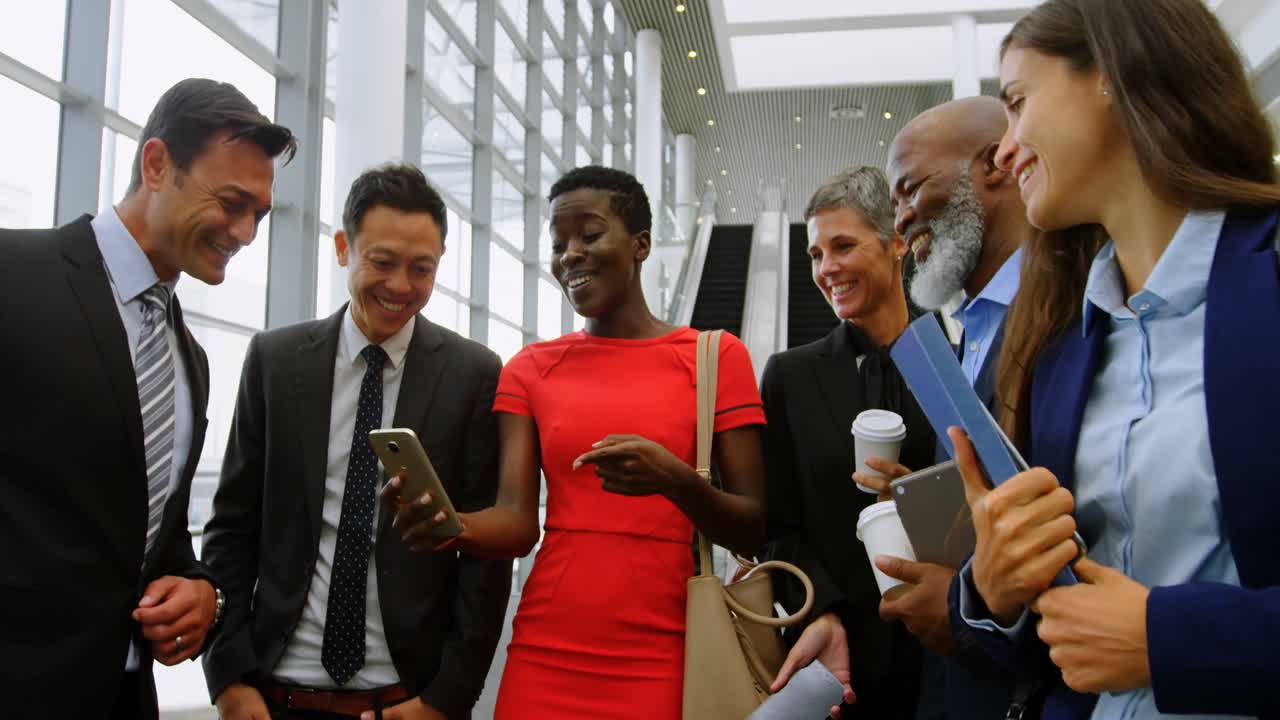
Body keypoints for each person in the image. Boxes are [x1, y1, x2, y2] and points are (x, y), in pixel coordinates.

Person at [950, 1, 1280, 718]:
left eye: (1016, 103)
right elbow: (1049, 641)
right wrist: (994, 588)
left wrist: (1172, 639)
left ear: (1112, 74)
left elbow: (1136, 639)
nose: (1004, 151)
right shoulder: (1060, 341)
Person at [412, 165, 767, 718]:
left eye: (590, 234)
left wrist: (674, 479)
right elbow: (517, 522)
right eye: (559, 243)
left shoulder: (715, 358)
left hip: (667, 649)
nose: (570, 254)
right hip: (545, 649)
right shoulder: (530, 369)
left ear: (641, 244)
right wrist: (448, 525)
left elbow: (753, 526)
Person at [0, 78, 294, 719]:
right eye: (232, 202)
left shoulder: (189, 359)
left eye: (261, 214)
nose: (245, 232)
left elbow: (157, 542)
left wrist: (200, 592)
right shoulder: (12, 277)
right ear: (157, 164)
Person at [201, 164, 511, 720]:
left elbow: (482, 562)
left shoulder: (473, 375)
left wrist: (445, 701)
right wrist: (228, 677)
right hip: (276, 693)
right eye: (383, 262)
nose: (400, 287)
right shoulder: (275, 361)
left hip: (403, 699)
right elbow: (232, 528)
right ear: (344, 247)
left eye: (422, 269)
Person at [849, 95, 1033, 720]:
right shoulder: (969, 330)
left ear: (995, 165)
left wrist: (966, 606)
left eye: (910, 189)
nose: (900, 220)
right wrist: (936, 500)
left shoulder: (1061, 318)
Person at [759, 166, 936, 719]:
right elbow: (774, 523)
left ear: (897, 243)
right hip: (840, 662)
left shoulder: (955, 363)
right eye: (815, 254)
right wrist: (820, 611)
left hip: (949, 653)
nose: (826, 268)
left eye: (843, 246)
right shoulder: (790, 376)